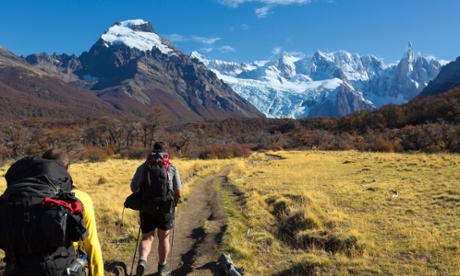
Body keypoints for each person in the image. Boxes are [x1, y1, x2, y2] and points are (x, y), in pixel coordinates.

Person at [42, 149, 104, 276]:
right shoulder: (81, 198)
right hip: (64, 267)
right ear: (67, 168)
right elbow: (91, 242)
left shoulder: (26, 197)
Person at [130, 142, 183, 276]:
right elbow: (179, 191)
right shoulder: (171, 167)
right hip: (166, 207)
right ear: (166, 153)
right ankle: (162, 267)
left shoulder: (143, 167)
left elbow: (133, 187)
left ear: (152, 152)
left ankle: (142, 261)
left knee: (147, 238)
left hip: (147, 206)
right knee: (164, 238)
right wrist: (176, 202)